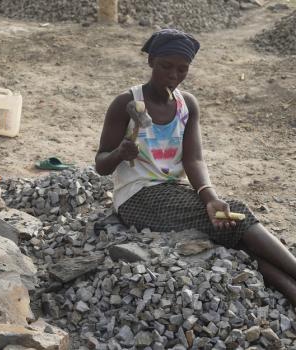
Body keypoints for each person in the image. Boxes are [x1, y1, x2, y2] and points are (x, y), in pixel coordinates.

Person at [95, 29, 296, 305]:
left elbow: (194, 159)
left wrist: (209, 197)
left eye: (182, 69)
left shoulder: (187, 104)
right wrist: (120, 152)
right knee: (239, 214)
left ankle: (291, 290)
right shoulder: (125, 103)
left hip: (174, 192)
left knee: (228, 228)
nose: (173, 75)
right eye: (166, 66)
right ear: (151, 60)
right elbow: (101, 165)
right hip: (136, 198)